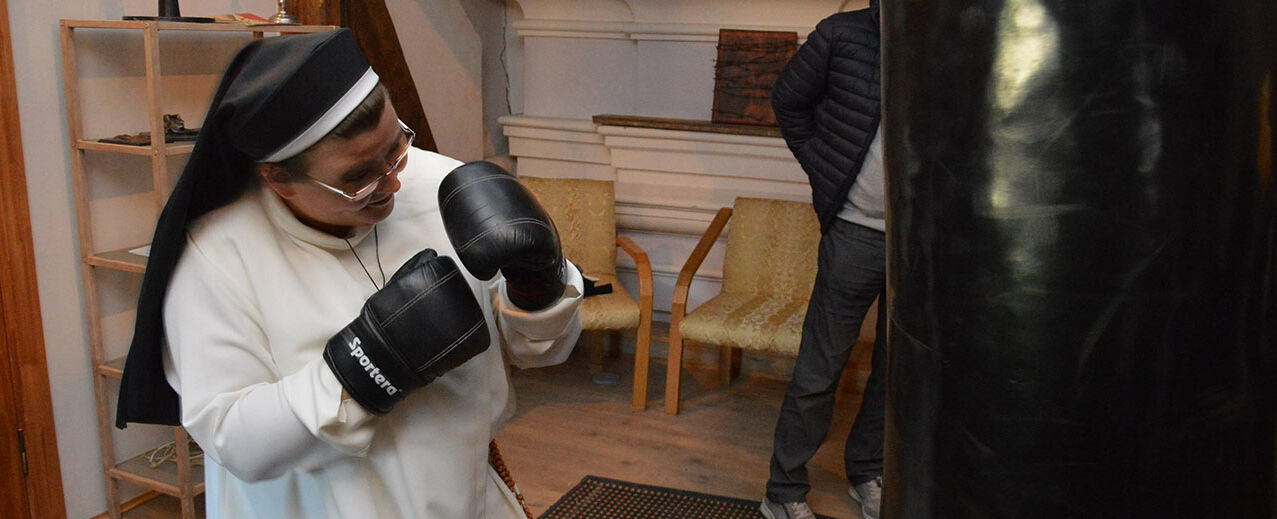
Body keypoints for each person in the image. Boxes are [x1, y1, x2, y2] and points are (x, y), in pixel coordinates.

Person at [114, 29, 584, 519]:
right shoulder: (216, 257)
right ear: (276, 177)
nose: (394, 181)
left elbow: (539, 351)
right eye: (358, 177)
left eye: (396, 146)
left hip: (467, 498)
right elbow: (233, 437)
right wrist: (367, 367)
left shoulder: (436, 185)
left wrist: (538, 288)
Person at [760, 2, 885, 519]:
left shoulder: (951, 39)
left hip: (926, 247)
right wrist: (824, 169)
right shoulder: (842, 34)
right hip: (856, 234)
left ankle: (869, 472)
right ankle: (782, 492)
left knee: (899, 373)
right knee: (819, 370)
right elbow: (787, 102)